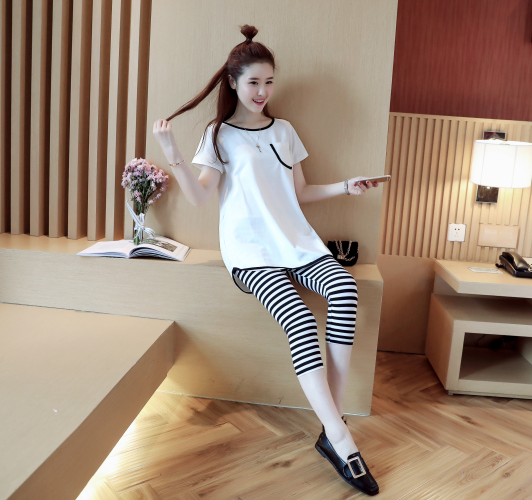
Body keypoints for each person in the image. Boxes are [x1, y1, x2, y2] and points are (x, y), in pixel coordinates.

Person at [152, 24, 381, 496]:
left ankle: (331, 426)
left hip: (297, 244)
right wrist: (172, 152)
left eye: (269, 82)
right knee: (299, 317)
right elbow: (199, 197)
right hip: (251, 255)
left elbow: (300, 192)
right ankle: (341, 439)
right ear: (233, 82)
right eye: (254, 82)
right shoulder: (218, 134)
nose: (262, 91)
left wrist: (347, 186)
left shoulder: (285, 131)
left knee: (345, 288)